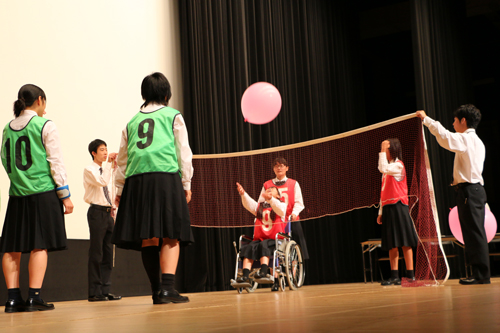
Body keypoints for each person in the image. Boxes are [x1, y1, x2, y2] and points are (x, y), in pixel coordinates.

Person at [112, 72, 194, 304]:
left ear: (144, 94)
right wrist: (186, 183)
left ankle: (156, 290)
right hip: (164, 177)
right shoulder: (173, 115)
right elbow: (183, 152)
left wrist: (119, 190)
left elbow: (122, 160)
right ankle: (168, 288)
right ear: (166, 94)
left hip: (137, 181)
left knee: (148, 236)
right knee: (171, 234)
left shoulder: (131, 122)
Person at [0, 84, 74, 313]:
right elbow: (56, 162)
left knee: (12, 247)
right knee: (38, 245)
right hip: (42, 193)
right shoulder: (45, 125)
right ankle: (34, 297)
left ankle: (13, 299)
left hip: (17, 194)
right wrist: (65, 196)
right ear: (40, 100)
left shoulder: (7, 128)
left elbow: (5, 159)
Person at [416, 105, 490, 285]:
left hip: (470, 190)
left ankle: (481, 274)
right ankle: (478, 273)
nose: (453, 124)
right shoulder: (476, 141)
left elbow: (445, 137)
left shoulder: (467, 139)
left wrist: (426, 120)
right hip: (472, 191)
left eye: (455, 121)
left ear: (463, 121)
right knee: (472, 233)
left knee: (474, 233)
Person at [83, 139, 122, 302]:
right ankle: (94, 292)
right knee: (96, 252)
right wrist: (109, 166)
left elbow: (110, 188)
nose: (105, 153)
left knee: (108, 253)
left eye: (106, 149)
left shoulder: (108, 170)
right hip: (96, 212)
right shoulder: (90, 169)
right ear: (94, 153)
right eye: (102, 150)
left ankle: (105, 290)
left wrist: (113, 205)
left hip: (108, 213)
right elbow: (102, 182)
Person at [377, 139, 418, 286]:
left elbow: (382, 168)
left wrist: (382, 148)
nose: (384, 152)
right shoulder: (388, 168)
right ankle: (394, 276)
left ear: (392, 150)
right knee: (391, 243)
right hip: (388, 208)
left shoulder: (398, 166)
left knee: (405, 242)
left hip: (399, 207)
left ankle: (410, 275)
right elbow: (383, 191)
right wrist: (380, 212)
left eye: (386, 149)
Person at [235, 183, 287, 292]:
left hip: (275, 240)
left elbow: (279, 209)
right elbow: (249, 204)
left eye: (272, 189)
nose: (269, 189)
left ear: (278, 196)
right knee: (249, 247)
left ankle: (263, 271)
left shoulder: (281, 205)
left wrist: (271, 199)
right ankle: (245, 276)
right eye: (268, 189)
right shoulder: (260, 207)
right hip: (259, 239)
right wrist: (243, 194)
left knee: (264, 245)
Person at [259, 157, 309, 260]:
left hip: (291, 219)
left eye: (281, 166)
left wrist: (294, 214)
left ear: (287, 168)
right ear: (273, 169)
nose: (279, 168)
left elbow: (299, 202)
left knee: (298, 244)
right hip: (275, 220)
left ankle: (296, 266)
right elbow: (261, 203)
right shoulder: (267, 184)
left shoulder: (294, 183)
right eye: (276, 166)